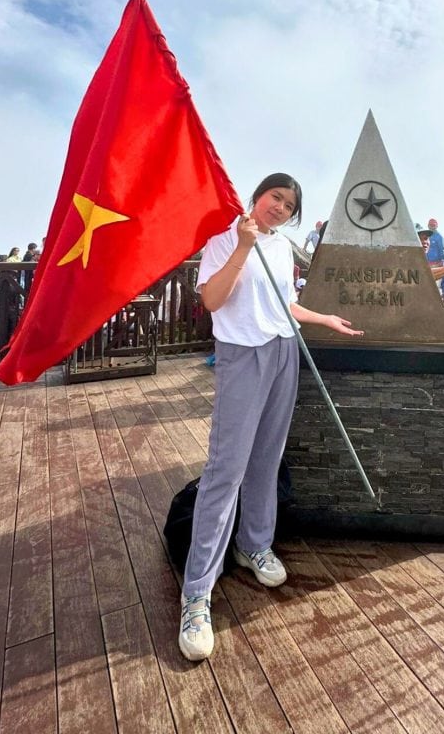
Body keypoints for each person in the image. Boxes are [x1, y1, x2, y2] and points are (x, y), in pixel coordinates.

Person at [179, 173, 363, 661]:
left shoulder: (282, 247)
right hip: (242, 354)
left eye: (289, 204)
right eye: (275, 197)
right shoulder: (226, 237)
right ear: (257, 196)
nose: (280, 208)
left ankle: (253, 544)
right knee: (226, 469)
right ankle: (197, 591)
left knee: (266, 459)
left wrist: (321, 319)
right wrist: (243, 245)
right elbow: (213, 300)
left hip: (284, 351)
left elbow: (284, 303)